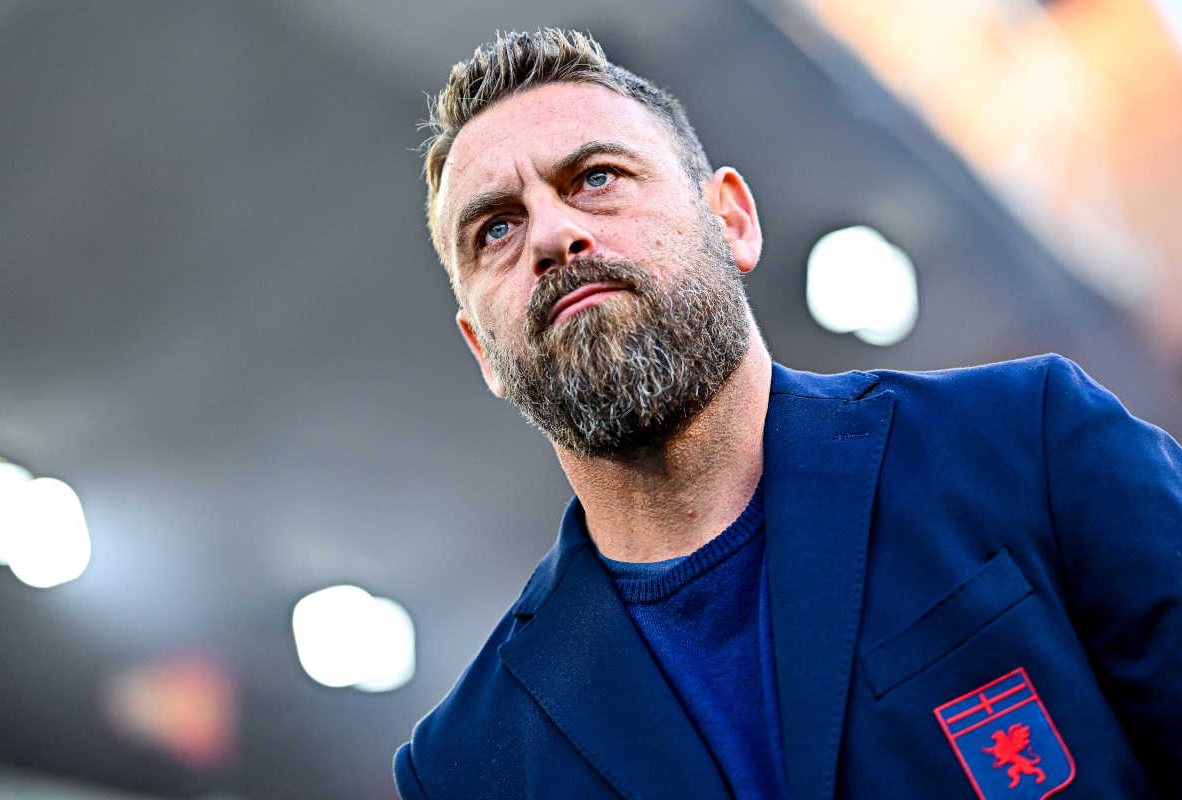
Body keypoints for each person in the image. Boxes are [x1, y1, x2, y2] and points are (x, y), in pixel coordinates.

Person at [394, 29, 1182, 800]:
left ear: (731, 220)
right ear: (483, 352)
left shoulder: (1026, 442)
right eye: (496, 227)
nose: (554, 234)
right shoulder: (465, 762)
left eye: (595, 178)